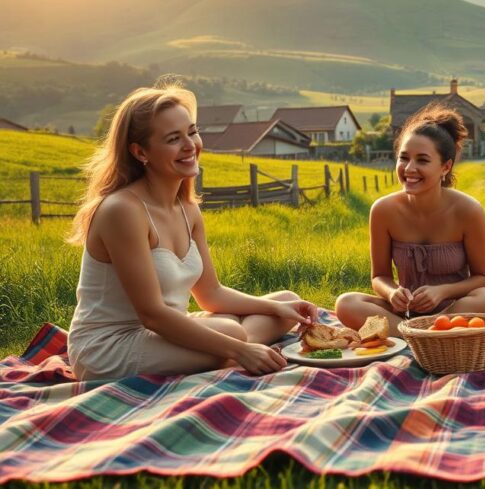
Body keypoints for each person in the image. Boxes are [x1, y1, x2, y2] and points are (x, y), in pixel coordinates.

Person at [67, 85, 318, 380]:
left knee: (284, 301)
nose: (190, 145)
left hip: (165, 330)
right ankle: (236, 352)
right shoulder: (122, 210)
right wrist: (240, 350)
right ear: (140, 151)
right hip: (109, 348)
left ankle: (230, 351)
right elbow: (151, 314)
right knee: (232, 331)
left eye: (192, 132)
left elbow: (211, 294)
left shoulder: (187, 210)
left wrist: (278, 309)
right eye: (174, 139)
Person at [335, 103, 485, 337]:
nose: (409, 168)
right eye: (404, 158)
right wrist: (393, 293)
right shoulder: (383, 211)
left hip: (455, 309)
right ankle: (424, 336)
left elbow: (483, 278)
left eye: (422, 160)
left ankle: (422, 333)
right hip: (405, 312)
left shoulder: (468, 210)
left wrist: (442, 292)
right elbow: (379, 277)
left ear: (445, 167)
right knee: (346, 303)